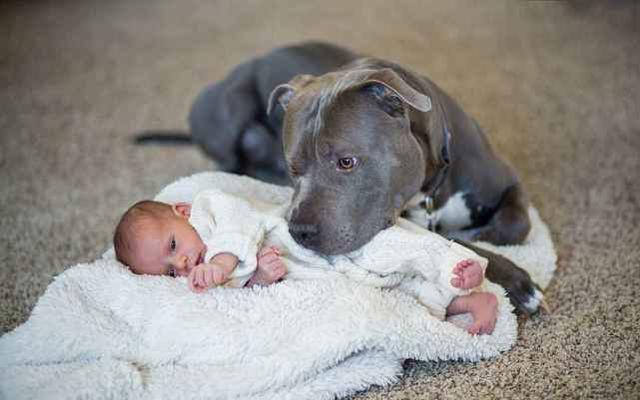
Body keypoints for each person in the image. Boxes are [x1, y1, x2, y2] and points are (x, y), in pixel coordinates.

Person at [114, 189, 498, 335]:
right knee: (384, 286)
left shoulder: (209, 208)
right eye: (168, 270)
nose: (180, 262)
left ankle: (452, 263)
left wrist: (224, 263)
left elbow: (240, 223)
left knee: (387, 248)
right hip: (316, 269)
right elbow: (248, 292)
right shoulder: (205, 273)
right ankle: (463, 300)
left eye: (172, 245)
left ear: (182, 212)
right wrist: (262, 276)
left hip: (323, 236)